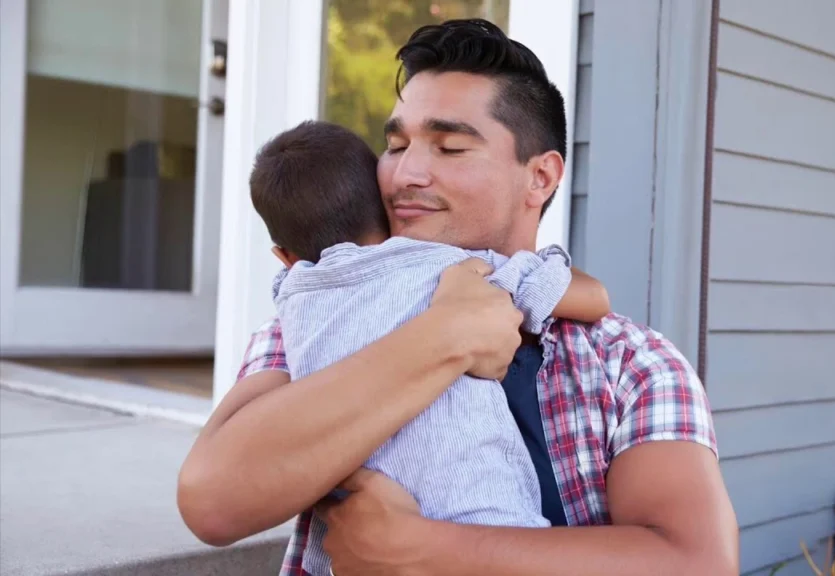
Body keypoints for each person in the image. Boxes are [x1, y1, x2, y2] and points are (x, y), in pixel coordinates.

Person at [178, 18, 739, 576]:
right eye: (395, 145)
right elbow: (214, 502)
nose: (405, 174)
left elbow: (698, 563)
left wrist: (421, 550)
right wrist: (443, 338)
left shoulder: (630, 364)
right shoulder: (318, 315)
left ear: (540, 177)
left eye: (448, 147)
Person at [250, 120, 611, 575]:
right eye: (397, 147)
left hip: (349, 544)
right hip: (481, 517)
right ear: (388, 212)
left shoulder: (290, 300)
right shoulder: (444, 266)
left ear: (284, 257)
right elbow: (593, 299)